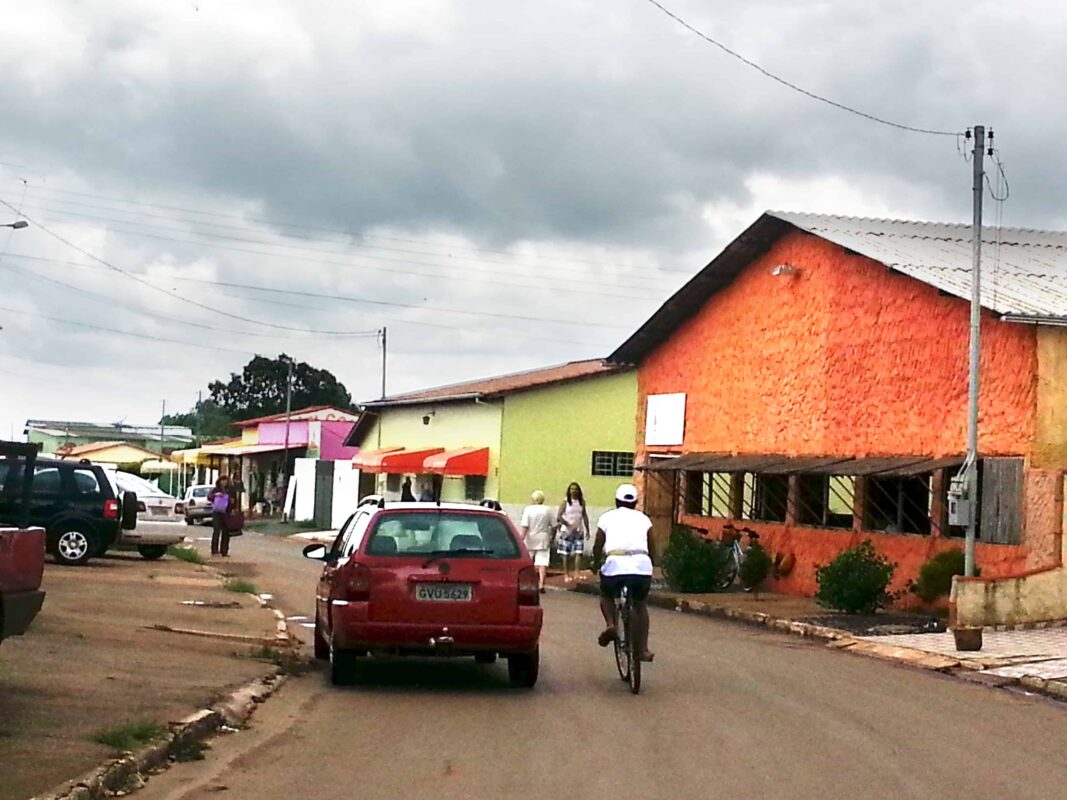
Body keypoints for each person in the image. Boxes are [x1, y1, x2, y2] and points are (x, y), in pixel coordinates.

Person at [592, 483, 656, 662]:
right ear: (635, 503)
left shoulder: (607, 517)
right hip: (641, 567)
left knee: (606, 595)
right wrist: (653, 563)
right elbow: (652, 545)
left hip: (615, 565)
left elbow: (598, 544)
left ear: (616, 501)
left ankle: (611, 624)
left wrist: (595, 563)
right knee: (640, 605)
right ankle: (642, 649)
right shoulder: (644, 519)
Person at [520, 490, 556, 593]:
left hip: (530, 538)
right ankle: (541, 584)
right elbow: (554, 525)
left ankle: (527, 582)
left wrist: (521, 539)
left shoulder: (528, 509)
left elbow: (525, 526)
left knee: (528, 561)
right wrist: (552, 537)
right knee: (542, 562)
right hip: (543, 537)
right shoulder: (547, 510)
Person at [556, 482, 590, 583]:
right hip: (567, 531)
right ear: (569, 491)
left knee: (578, 552)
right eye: (572, 489)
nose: (574, 491)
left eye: (575, 489)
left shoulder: (581, 502)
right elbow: (559, 516)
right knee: (565, 554)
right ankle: (566, 574)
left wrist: (587, 530)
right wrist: (567, 524)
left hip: (578, 530)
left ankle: (577, 572)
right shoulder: (565, 502)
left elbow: (584, 515)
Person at [208, 476, 231, 557]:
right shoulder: (216, 489)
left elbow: (233, 500)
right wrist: (215, 495)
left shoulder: (229, 490)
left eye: (225, 481)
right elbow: (209, 497)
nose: (224, 482)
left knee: (226, 532)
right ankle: (214, 550)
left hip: (226, 513)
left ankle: (224, 551)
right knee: (217, 530)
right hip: (217, 512)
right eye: (222, 480)